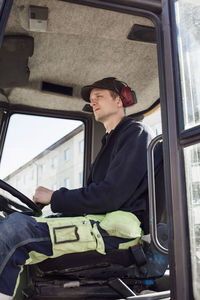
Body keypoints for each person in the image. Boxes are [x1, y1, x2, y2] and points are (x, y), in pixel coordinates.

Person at [0, 77, 154, 299]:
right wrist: (57, 205)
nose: (93, 102)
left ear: (119, 101)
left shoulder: (135, 132)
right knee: (12, 224)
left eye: (99, 96)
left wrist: (54, 196)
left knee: (15, 230)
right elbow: (95, 199)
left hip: (118, 232)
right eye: (91, 100)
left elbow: (109, 196)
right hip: (100, 223)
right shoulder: (108, 144)